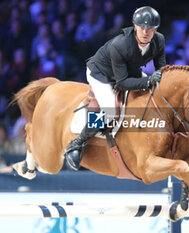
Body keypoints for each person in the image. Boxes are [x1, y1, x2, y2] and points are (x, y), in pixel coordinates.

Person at [64, 6, 166, 170]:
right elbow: (123, 83)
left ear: (156, 29)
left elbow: (162, 69)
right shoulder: (121, 44)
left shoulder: (159, 40)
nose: (145, 32)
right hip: (101, 74)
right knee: (110, 111)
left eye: (150, 29)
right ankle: (76, 144)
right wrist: (148, 81)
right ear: (135, 26)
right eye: (142, 28)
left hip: (129, 72)